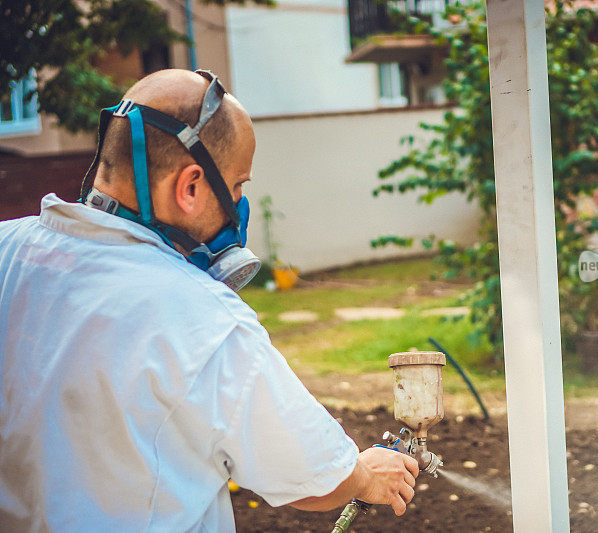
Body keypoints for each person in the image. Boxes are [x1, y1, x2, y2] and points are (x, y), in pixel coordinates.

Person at [0, 69, 418, 531]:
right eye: (238, 186)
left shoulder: (7, 251)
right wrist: (365, 476)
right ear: (191, 187)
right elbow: (316, 479)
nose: (239, 204)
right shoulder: (202, 319)